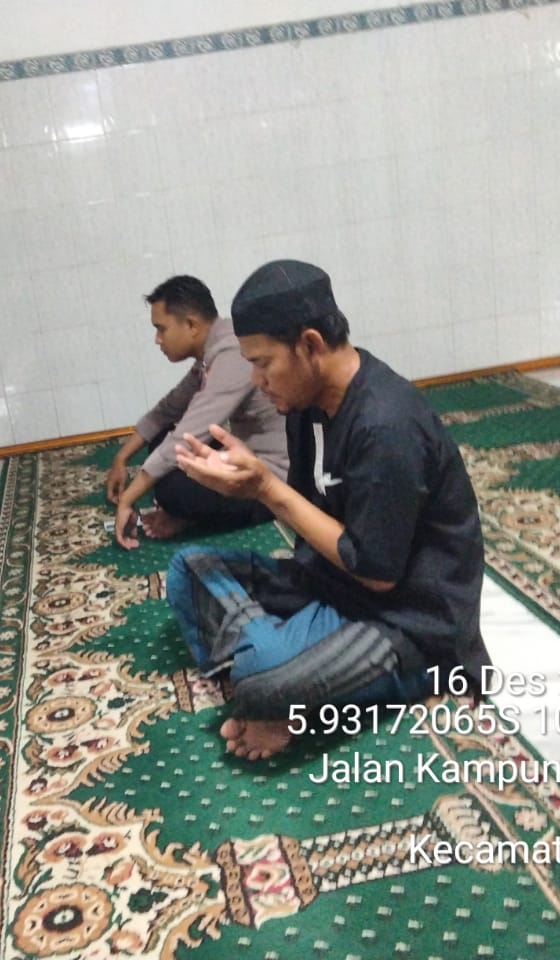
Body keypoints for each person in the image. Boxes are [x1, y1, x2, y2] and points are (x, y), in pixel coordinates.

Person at [167, 260, 491, 760]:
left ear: (311, 345)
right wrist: (245, 488)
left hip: (406, 620)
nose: (256, 379)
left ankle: (276, 678)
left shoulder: (387, 425)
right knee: (189, 569)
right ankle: (279, 671)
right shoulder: (305, 406)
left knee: (262, 675)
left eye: (263, 362)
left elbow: (377, 574)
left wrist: (266, 489)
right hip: (329, 584)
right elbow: (311, 521)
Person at [105, 275, 288, 550]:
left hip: (272, 476)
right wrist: (121, 458)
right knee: (163, 441)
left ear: (191, 325)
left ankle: (190, 518)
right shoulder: (215, 348)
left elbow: (187, 434)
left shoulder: (232, 354)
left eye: (161, 329)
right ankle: (190, 513)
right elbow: (167, 411)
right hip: (243, 454)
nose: (157, 340)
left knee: (172, 488)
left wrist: (128, 500)